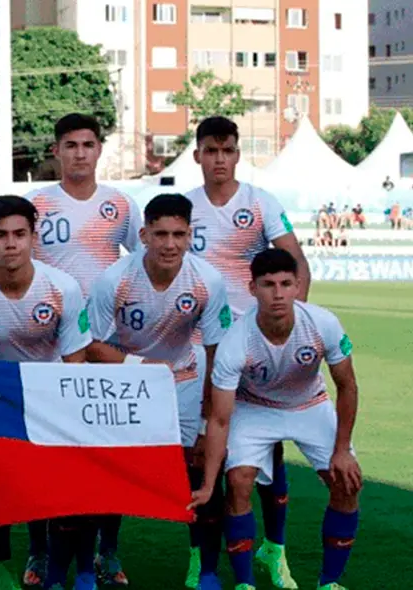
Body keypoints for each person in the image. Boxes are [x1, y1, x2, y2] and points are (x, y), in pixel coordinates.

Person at [186, 115, 310, 590]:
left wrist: (288, 325)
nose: (219, 159)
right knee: (201, 457)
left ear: (238, 154)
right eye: (210, 151)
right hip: (198, 347)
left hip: (255, 346)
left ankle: (274, 552)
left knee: (268, 450)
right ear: (197, 154)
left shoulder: (260, 202)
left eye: (228, 151)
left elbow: (295, 261)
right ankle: (201, 558)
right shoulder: (185, 207)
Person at [0, 196, 92, 590]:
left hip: (49, 401)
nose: (11, 243)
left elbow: (75, 362)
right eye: (1, 235)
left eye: (19, 234)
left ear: (33, 236)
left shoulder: (62, 288)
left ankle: (56, 577)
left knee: (60, 489)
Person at [191, 248, 361, 590]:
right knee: (238, 482)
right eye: (268, 284)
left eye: (286, 284)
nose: (278, 293)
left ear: (299, 287)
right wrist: (210, 483)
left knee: (346, 483)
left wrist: (342, 449)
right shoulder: (235, 342)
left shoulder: (322, 323)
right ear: (252, 288)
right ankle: (244, 583)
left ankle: (329, 582)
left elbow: (347, 386)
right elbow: (220, 419)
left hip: (309, 404)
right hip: (255, 408)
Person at [86, 193, 231, 590]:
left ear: (190, 235)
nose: (170, 244)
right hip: (125, 383)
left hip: (182, 379)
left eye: (179, 234)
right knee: (117, 471)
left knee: (199, 470)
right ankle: (108, 554)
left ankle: (204, 568)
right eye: (161, 234)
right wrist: (142, 368)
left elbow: (216, 352)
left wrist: (205, 421)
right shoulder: (113, 280)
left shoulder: (207, 281)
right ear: (144, 234)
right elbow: (91, 346)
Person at [23, 113, 142, 587]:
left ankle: (106, 552)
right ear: (56, 151)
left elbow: (144, 260)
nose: (79, 153)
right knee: (44, 457)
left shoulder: (121, 205)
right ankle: (37, 551)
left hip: (107, 348)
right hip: (50, 348)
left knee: (106, 455)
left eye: (87, 144)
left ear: (98, 150)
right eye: (69, 144)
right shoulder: (36, 205)